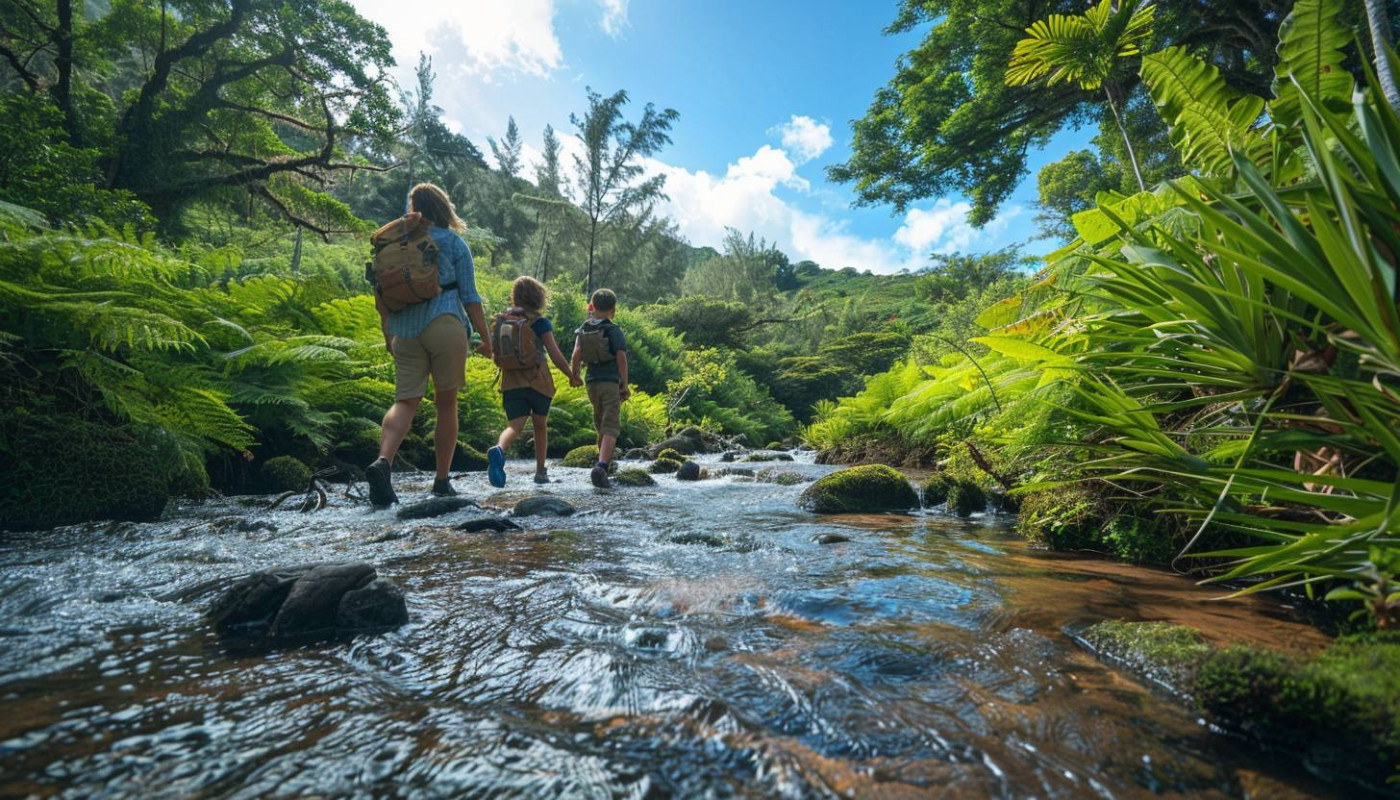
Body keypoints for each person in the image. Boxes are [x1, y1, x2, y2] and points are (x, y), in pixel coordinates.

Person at [365, 183, 492, 507]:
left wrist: (387, 333)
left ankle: (383, 462)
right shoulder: (453, 242)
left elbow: (382, 295)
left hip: (404, 329)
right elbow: (471, 298)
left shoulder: (396, 242)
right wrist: (486, 339)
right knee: (445, 403)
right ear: (444, 207)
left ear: (414, 208)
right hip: (445, 323)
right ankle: (441, 481)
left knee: (405, 401)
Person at [486, 277, 580, 487]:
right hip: (538, 382)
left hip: (511, 382)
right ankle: (540, 471)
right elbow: (555, 354)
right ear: (539, 297)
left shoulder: (502, 320)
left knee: (514, 426)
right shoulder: (540, 322)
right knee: (540, 426)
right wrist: (571, 375)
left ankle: (499, 449)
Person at [570, 288, 629, 488]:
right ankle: (602, 465)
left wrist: (574, 374)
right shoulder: (613, 330)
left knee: (599, 420)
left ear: (591, 307)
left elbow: (577, 352)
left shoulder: (583, 328)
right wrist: (625, 384)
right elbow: (621, 357)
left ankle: (603, 462)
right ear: (613, 310)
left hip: (591, 382)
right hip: (610, 382)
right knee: (611, 424)